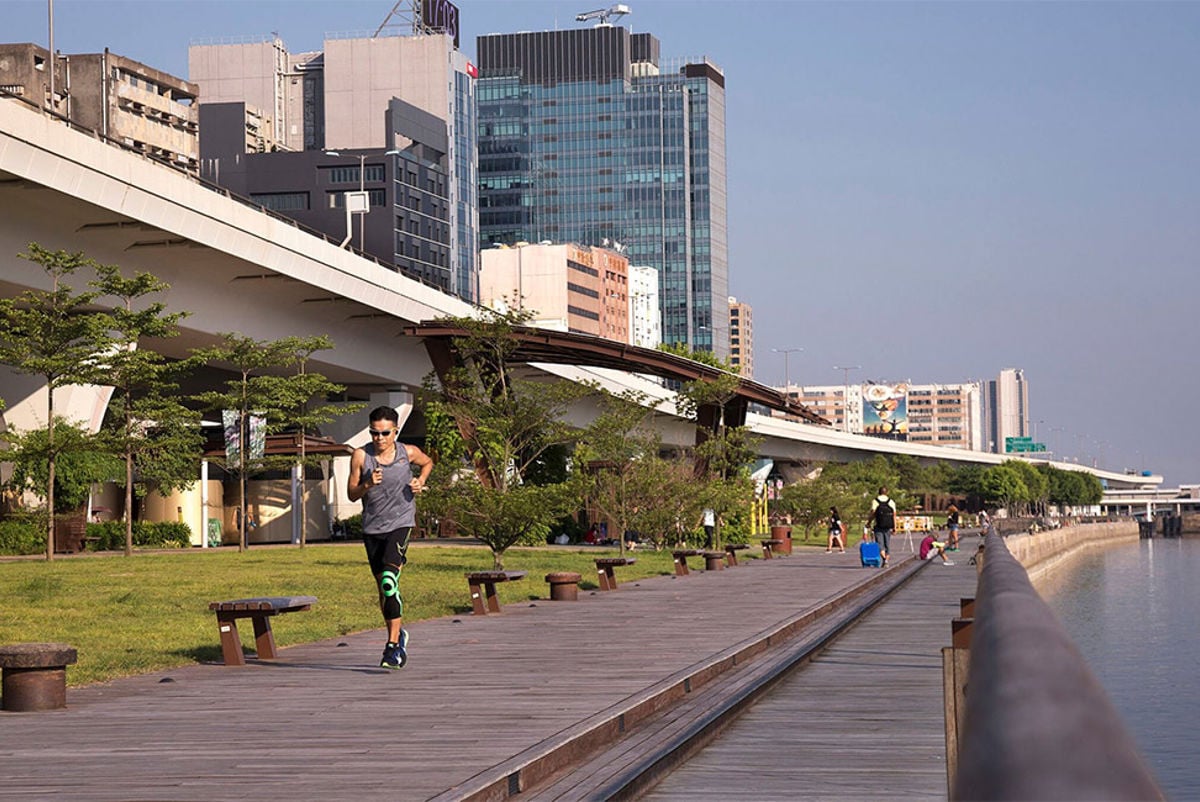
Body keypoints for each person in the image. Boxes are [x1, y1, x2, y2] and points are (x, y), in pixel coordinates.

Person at [348, 405, 433, 670]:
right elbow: (352, 494)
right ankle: (398, 637)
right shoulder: (361, 457)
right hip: (373, 529)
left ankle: (392, 648)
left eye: (385, 433)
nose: (380, 438)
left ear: (395, 431)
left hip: (401, 523)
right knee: (385, 591)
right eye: (375, 433)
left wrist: (420, 480)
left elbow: (428, 462)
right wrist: (366, 484)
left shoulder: (407, 452)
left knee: (388, 581)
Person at [867, 486, 897, 566]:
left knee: (879, 544)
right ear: (887, 492)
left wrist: (869, 522)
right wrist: (895, 527)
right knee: (887, 544)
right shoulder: (891, 502)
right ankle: (886, 560)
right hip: (888, 526)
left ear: (879, 492)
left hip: (878, 525)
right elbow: (894, 515)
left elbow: (873, 513)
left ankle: (884, 559)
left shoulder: (875, 501)